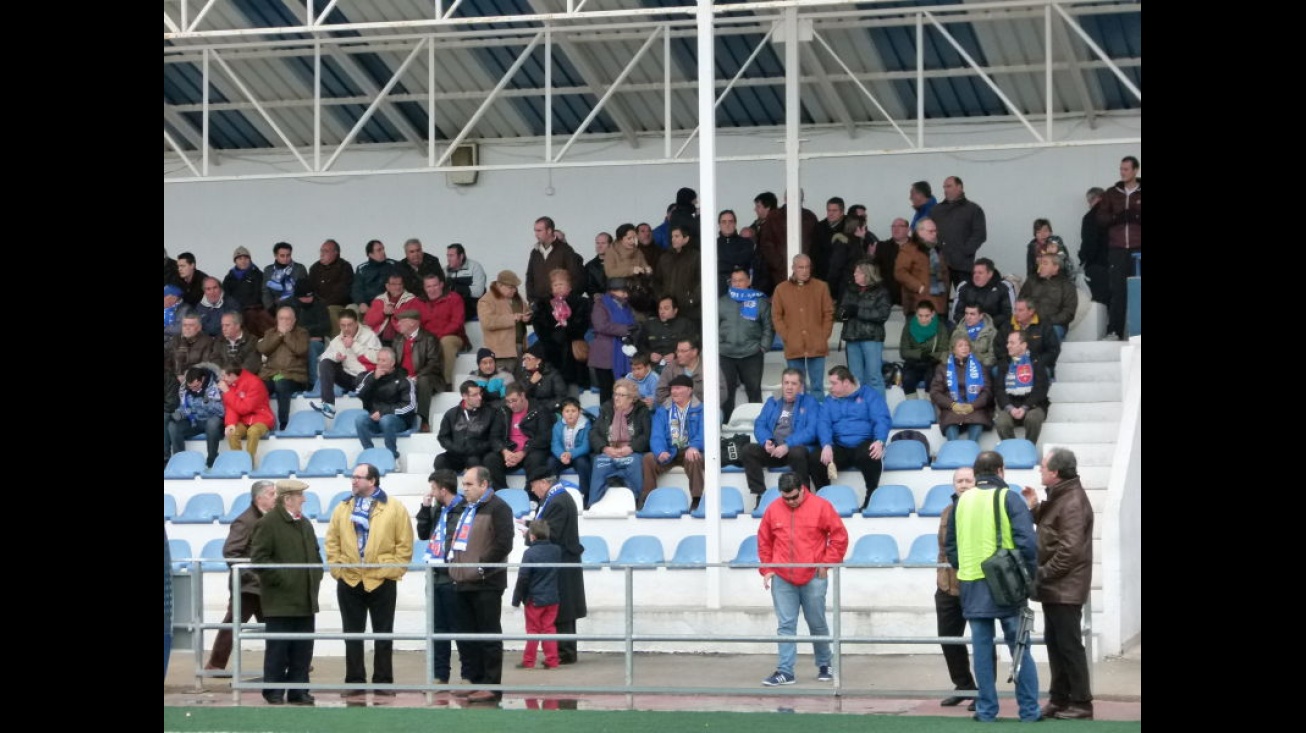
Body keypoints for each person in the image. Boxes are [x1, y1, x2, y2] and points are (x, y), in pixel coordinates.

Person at [944, 451, 1040, 723]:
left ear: (977, 473)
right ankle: (1029, 712)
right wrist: (1029, 578)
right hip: (1007, 583)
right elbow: (1028, 543)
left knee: (982, 651)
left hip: (971, 584)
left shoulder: (961, 502)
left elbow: (950, 545)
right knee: (1019, 647)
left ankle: (986, 711)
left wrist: (964, 566)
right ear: (1001, 471)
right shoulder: (1009, 498)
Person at [325, 462, 413, 697]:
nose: (353, 481)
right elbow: (331, 541)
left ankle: (383, 681)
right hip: (350, 579)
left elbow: (404, 544)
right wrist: (337, 569)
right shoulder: (343, 507)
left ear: (372, 481)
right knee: (352, 634)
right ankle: (354, 681)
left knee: (383, 634)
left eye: (358, 477)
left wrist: (393, 571)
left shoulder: (394, 507)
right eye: (352, 477)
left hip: (381, 579)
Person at [1022, 448, 1095, 721]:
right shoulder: (1062, 495)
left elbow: (1069, 552)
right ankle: (1059, 698)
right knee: (1056, 643)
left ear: (1055, 472)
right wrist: (1034, 507)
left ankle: (1081, 702)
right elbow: (1054, 529)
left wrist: (1040, 574)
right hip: (1057, 588)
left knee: (1069, 645)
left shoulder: (1072, 500)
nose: (1040, 470)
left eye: (1043, 467)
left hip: (1065, 588)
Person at [757, 472, 848, 687]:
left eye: (793, 497)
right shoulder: (773, 509)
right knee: (786, 625)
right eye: (785, 498)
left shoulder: (821, 507)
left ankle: (825, 664)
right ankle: (785, 671)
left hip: (814, 576)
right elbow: (764, 540)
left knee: (816, 623)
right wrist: (767, 569)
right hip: (782, 576)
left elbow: (839, 537)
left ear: (802, 489)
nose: (789, 502)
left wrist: (826, 564)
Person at [249, 479, 323, 706]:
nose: (304, 499)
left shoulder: (305, 524)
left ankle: (299, 690)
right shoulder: (268, 523)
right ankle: (273, 690)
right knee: (278, 649)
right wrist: (285, 579)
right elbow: (259, 560)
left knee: (302, 649)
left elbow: (315, 554)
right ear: (288, 498)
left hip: (305, 598)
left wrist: (315, 575)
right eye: (300, 495)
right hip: (280, 600)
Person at [450, 466, 516, 703]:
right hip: (462, 580)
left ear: (484, 485)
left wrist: (481, 565)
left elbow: (504, 543)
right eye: (463, 484)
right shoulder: (465, 508)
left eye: (468, 484)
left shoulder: (499, 508)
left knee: (488, 635)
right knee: (467, 636)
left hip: (486, 582)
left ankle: (491, 685)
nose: (464, 489)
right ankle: (473, 680)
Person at [205, 479, 279, 673]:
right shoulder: (245, 521)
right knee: (234, 623)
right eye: (272, 494)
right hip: (248, 586)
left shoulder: (269, 518)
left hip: (261, 585)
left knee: (274, 624)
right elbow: (231, 552)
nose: (276, 498)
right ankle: (215, 664)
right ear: (259, 498)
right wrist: (250, 576)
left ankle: (286, 660)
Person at [524, 467, 588, 665]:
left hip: (563, 561)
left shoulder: (558, 501)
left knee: (564, 609)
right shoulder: (556, 498)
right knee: (561, 607)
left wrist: (530, 535)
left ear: (544, 482)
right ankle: (562, 650)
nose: (533, 491)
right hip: (561, 559)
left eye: (534, 486)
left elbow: (553, 532)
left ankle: (566, 652)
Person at [416, 469, 473, 685]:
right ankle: (440, 674)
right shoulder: (436, 510)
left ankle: (468, 674)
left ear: (442, 489)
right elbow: (423, 535)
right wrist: (424, 509)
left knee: (460, 627)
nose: (430, 492)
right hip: (434, 576)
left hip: (454, 576)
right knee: (437, 629)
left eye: (432, 488)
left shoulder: (464, 510)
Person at [811, 366, 891, 507]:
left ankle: (871, 497)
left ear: (846, 382)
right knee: (815, 458)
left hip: (863, 443)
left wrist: (880, 441)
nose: (830, 387)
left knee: (871, 453)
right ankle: (824, 500)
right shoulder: (830, 400)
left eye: (834, 383)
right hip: (840, 446)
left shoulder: (869, 395)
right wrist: (826, 444)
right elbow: (823, 423)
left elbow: (881, 419)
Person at [935, 467, 979, 711]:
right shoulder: (946, 511)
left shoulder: (981, 511)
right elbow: (942, 549)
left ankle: (984, 691)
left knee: (982, 640)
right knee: (948, 639)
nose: (963, 485)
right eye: (959, 481)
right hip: (946, 585)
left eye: (968, 480)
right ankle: (964, 686)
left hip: (974, 585)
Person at [741, 368, 818, 502]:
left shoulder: (810, 402)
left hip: (795, 450)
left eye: (793, 384)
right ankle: (761, 495)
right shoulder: (773, 401)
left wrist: (787, 445)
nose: (789, 387)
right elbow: (760, 424)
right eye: (786, 383)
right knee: (748, 450)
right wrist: (767, 441)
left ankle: (804, 494)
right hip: (775, 449)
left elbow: (812, 431)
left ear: (801, 387)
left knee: (797, 452)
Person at [771, 254, 835, 400]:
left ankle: (818, 420)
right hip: (793, 345)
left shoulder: (821, 287)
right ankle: (799, 419)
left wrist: (823, 335)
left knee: (817, 386)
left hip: (817, 344)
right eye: (801, 267)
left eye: (807, 267)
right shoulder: (781, 289)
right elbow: (776, 316)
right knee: (796, 387)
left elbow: (829, 313)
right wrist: (787, 336)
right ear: (793, 268)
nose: (805, 271)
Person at [641, 374, 705, 510]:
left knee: (694, 457)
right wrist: (660, 451)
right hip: (670, 450)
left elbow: (703, 433)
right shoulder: (663, 410)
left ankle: (697, 499)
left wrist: (694, 446)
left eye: (678, 388)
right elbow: (656, 435)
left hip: (689, 449)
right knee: (648, 459)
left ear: (689, 390)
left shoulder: (701, 409)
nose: (673, 391)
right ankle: (648, 498)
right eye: (672, 389)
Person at [1096, 156, 1141, 340]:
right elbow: (1099, 218)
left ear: (1136, 170)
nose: (1122, 172)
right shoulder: (1111, 193)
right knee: (1118, 291)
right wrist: (1116, 218)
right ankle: (1115, 331)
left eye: (1126, 169)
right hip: (1118, 249)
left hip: (1139, 249)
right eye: (1121, 169)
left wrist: (1137, 217)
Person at [719, 267, 773, 422]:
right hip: (726, 354)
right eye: (734, 281)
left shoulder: (759, 301)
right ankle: (726, 427)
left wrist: (763, 346)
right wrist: (719, 345)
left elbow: (768, 326)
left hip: (752, 354)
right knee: (726, 394)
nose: (737, 284)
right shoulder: (722, 302)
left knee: (754, 392)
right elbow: (713, 326)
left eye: (741, 280)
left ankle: (758, 427)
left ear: (748, 281)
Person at [588, 377, 651, 505]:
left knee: (635, 462)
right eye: (615, 394)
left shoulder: (641, 411)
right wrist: (605, 448)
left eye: (621, 395)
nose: (616, 398)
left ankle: (638, 502)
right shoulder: (606, 409)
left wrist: (630, 448)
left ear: (631, 398)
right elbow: (594, 433)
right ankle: (593, 504)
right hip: (609, 451)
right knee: (599, 462)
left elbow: (646, 435)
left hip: (631, 452)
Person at [310, 309, 381, 419]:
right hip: (348, 379)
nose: (346, 329)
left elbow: (378, 359)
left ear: (356, 323)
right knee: (326, 362)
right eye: (343, 325)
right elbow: (323, 357)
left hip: (367, 378)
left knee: (366, 380)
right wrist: (335, 356)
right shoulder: (337, 340)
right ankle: (328, 404)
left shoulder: (369, 336)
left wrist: (354, 345)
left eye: (349, 325)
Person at [511, 519, 561, 669]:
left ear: (532, 536)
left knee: (533, 630)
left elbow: (523, 577)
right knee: (549, 628)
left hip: (534, 598)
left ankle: (529, 661)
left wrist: (516, 599)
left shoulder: (529, 553)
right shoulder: (556, 550)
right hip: (552, 597)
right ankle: (552, 660)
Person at [530, 268, 592, 391]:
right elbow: (539, 325)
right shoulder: (542, 304)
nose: (558, 288)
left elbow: (583, 325)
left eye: (561, 284)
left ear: (569, 286)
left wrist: (566, 328)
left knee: (572, 388)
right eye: (555, 285)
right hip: (550, 349)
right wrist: (553, 336)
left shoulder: (581, 302)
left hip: (572, 350)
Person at [485, 383, 555, 489]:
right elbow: (494, 436)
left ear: (522, 396)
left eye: (514, 400)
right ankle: (502, 494)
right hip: (510, 451)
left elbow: (544, 436)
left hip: (531, 450)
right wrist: (505, 452)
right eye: (508, 401)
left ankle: (531, 497)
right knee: (490, 459)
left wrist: (523, 452)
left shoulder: (539, 409)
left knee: (535, 460)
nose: (511, 405)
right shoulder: (503, 411)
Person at [352, 347, 418, 461]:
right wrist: (373, 378)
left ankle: (392, 456)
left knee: (386, 420)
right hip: (375, 419)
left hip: (399, 420)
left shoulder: (404, 379)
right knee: (360, 420)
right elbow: (358, 393)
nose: (380, 364)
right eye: (378, 360)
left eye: (384, 360)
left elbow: (410, 406)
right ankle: (369, 453)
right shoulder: (371, 376)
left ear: (392, 363)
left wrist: (383, 412)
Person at [837, 260, 892, 397]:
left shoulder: (881, 292)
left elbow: (882, 314)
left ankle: (878, 412)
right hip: (852, 337)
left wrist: (858, 311)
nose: (854, 274)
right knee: (855, 379)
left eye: (858, 272)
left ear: (867, 274)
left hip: (871, 338)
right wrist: (843, 313)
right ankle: (858, 411)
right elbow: (840, 312)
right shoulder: (850, 289)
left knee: (874, 377)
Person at [930, 336, 994, 443]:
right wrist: (952, 405)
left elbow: (987, 391)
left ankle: (971, 450)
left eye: (966, 345)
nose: (964, 348)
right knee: (951, 425)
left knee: (977, 422)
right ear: (953, 350)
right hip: (952, 409)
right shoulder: (942, 368)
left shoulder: (979, 367)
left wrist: (973, 406)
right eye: (960, 346)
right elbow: (935, 392)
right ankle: (953, 451)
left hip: (975, 408)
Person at [257, 305, 310, 431]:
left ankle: (284, 422)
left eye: (288, 319)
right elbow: (263, 349)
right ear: (277, 320)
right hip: (271, 374)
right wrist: (279, 335)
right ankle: (261, 421)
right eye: (282, 319)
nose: (285, 322)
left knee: (281, 383)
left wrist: (286, 335)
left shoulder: (302, 333)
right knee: (259, 387)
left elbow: (300, 350)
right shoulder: (270, 333)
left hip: (294, 376)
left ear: (294, 320)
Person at [393, 309, 448, 431]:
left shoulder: (429, 338)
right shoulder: (398, 340)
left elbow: (434, 363)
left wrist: (416, 376)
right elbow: (395, 363)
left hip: (428, 377)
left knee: (423, 380)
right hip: (405, 377)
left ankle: (423, 419)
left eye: (402, 321)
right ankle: (396, 420)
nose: (398, 324)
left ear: (412, 323)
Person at [994, 330, 1052, 446]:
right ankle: (1013, 450)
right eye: (1007, 343)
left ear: (1024, 345)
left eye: (1012, 343)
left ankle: (1029, 449)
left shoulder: (1036, 362)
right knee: (1001, 422)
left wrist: (1025, 407)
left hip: (1033, 406)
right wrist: (1010, 408)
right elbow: (999, 390)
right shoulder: (1004, 363)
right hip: (1010, 405)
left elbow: (1041, 390)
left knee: (1033, 419)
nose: (1008, 346)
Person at [930, 176, 987, 288]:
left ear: (959, 187)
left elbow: (980, 234)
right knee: (938, 300)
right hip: (939, 265)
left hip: (962, 266)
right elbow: (928, 232)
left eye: (949, 186)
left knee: (964, 298)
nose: (946, 190)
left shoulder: (973, 209)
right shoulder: (936, 210)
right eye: (944, 187)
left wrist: (964, 252)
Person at [415, 272, 469, 390]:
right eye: (428, 286)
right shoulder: (418, 302)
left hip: (453, 337)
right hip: (428, 339)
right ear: (424, 288)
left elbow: (457, 322)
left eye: (435, 285)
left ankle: (446, 382)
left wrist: (437, 337)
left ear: (441, 285)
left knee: (446, 342)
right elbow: (409, 320)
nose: (432, 289)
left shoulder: (453, 298)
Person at [590, 277, 640, 405]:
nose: (625, 295)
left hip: (623, 352)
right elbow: (600, 325)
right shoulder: (600, 304)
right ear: (612, 291)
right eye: (622, 291)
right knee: (607, 391)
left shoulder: (626, 306)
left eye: (626, 292)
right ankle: (607, 419)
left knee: (624, 390)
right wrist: (626, 329)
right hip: (605, 356)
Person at [435, 380, 502, 474]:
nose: (479, 397)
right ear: (464, 396)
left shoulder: (490, 413)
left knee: (474, 462)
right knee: (440, 460)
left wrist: (476, 449)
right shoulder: (451, 414)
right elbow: (443, 437)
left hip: (478, 454)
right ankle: (446, 487)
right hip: (456, 454)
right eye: (475, 395)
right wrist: (455, 448)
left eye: (480, 394)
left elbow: (494, 438)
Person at [167, 364, 225, 468]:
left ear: (202, 379)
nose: (193, 389)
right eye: (190, 387)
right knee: (173, 425)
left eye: (196, 386)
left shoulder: (216, 386)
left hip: (212, 422)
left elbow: (222, 411)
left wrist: (206, 404)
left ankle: (212, 461)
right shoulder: (184, 389)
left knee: (212, 423)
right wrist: (179, 414)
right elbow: (184, 407)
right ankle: (180, 460)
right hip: (194, 421)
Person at [220, 362, 275, 467]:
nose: (222, 379)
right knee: (232, 432)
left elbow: (245, 408)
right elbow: (231, 407)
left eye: (224, 376)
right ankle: (239, 464)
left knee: (253, 431)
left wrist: (227, 392)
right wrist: (230, 423)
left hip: (262, 418)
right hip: (243, 420)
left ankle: (249, 464)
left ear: (232, 375)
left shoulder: (254, 382)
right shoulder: (229, 385)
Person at [895, 217, 950, 318]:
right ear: (920, 232)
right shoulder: (909, 249)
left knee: (939, 332)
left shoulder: (936, 249)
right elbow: (900, 272)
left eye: (935, 231)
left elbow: (944, 273)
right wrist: (919, 287)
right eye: (931, 231)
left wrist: (945, 289)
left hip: (939, 303)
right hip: (917, 304)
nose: (935, 234)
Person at [525, 216, 586, 304]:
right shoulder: (535, 252)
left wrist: (567, 300)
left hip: (561, 305)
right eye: (535, 230)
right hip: (540, 304)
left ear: (549, 231)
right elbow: (530, 276)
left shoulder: (565, 250)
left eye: (539, 231)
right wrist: (531, 300)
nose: (536, 234)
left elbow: (576, 276)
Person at [899, 299, 952, 399]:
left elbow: (944, 352)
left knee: (932, 379)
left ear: (933, 314)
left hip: (933, 363)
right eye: (920, 315)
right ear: (916, 314)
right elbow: (903, 352)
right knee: (907, 379)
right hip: (913, 363)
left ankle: (929, 406)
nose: (923, 319)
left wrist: (930, 355)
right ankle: (912, 406)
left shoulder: (940, 328)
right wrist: (921, 354)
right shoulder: (908, 327)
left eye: (927, 316)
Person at [1019, 254, 1078, 343]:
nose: (1041, 266)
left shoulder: (1067, 286)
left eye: (1045, 264)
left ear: (1055, 267)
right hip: (1030, 323)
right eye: (1040, 263)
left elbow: (1068, 312)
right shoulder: (1031, 281)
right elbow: (1021, 302)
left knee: (1050, 334)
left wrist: (1048, 321)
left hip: (1055, 325)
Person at [478, 270, 531, 369]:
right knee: (504, 382)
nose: (514, 290)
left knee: (520, 383)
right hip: (501, 353)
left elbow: (526, 312)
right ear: (499, 285)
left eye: (515, 287)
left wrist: (528, 317)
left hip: (521, 349)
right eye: (511, 287)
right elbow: (487, 322)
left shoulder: (517, 298)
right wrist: (513, 318)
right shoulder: (486, 300)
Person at [603, 223, 656, 317]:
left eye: (634, 237)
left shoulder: (638, 251)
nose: (633, 241)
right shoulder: (611, 252)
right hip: (619, 292)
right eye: (629, 238)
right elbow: (610, 272)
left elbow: (644, 265)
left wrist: (648, 270)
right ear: (620, 239)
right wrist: (631, 270)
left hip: (637, 292)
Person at [652, 223, 703, 320]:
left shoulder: (696, 257)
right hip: (668, 310)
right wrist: (660, 297)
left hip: (689, 310)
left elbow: (702, 281)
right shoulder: (664, 258)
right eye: (672, 236)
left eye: (677, 236)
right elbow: (657, 281)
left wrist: (692, 299)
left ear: (686, 238)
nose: (673, 239)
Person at [716, 209, 771, 297]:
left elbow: (747, 263)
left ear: (735, 223)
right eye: (724, 222)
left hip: (743, 293)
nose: (727, 225)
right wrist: (735, 265)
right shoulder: (713, 245)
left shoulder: (746, 243)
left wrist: (723, 263)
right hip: (720, 292)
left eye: (730, 221)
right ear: (719, 224)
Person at [549, 397, 594, 504]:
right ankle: (552, 494)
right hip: (562, 456)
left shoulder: (586, 425)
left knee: (583, 464)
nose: (570, 414)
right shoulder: (558, 425)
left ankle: (585, 495)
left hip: (578, 455)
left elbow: (586, 446)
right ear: (562, 413)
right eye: (567, 411)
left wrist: (570, 454)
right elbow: (555, 444)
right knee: (550, 463)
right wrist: (561, 455)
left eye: (573, 411)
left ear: (579, 412)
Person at [308, 238, 354, 336]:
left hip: (339, 305)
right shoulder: (314, 268)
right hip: (318, 305)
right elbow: (311, 290)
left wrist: (324, 305)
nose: (321, 254)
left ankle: (337, 343)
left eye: (325, 251)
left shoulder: (345, 267)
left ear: (335, 253)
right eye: (321, 251)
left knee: (330, 310)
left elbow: (342, 292)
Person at [1007, 297, 1062, 381]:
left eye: (1020, 310)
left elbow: (1053, 351)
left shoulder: (1044, 326)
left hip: (1037, 365)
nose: (1016, 313)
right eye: (1015, 310)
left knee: (1041, 371)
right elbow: (999, 349)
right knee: (997, 370)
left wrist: (1035, 362)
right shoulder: (1007, 326)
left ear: (1031, 311)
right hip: (1013, 364)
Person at [638, 295, 695, 373]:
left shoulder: (685, 324)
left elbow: (694, 346)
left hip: (679, 367)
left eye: (666, 308)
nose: (662, 311)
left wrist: (677, 355)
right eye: (660, 308)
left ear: (675, 310)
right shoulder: (649, 324)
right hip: (653, 368)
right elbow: (640, 345)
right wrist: (649, 355)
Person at [224, 246, 272, 338]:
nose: (243, 261)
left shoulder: (258, 274)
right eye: (239, 258)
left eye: (246, 258)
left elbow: (260, 293)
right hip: (236, 310)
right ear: (235, 261)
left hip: (255, 308)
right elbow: (226, 296)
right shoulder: (229, 278)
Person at [950, 257, 1012, 328]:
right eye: (974, 273)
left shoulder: (1002, 288)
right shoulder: (965, 287)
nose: (976, 276)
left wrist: (984, 324)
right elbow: (956, 313)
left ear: (990, 274)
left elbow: (1008, 315)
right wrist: (971, 322)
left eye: (980, 273)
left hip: (994, 330)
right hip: (967, 328)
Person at [363, 273, 418, 344]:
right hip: (379, 337)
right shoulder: (379, 299)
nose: (398, 287)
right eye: (394, 284)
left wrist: (394, 312)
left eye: (400, 284)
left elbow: (412, 320)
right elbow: (369, 321)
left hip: (402, 337)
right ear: (387, 286)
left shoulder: (411, 299)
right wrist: (383, 312)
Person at [515, 342, 568, 414]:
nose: (525, 362)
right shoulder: (525, 374)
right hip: (530, 411)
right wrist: (531, 383)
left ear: (538, 360)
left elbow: (561, 397)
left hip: (550, 411)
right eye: (524, 359)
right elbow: (518, 394)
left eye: (528, 359)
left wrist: (543, 409)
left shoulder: (552, 374)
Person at [1079, 187, 1110, 306]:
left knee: (1100, 304)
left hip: (1098, 265)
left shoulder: (1090, 217)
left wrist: (1083, 258)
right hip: (1118, 264)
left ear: (1094, 199)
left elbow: (1089, 243)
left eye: (1089, 201)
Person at [165, 311, 219, 380]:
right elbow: (168, 362)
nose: (187, 328)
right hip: (174, 378)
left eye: (191, 325)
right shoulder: (176, 339)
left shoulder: (208, 342)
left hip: (195, 379)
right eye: (184, 325)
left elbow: (205, 365)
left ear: (199, 327)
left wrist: (187, 376)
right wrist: (175, 376)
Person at [352, 239, 399, 317]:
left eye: (383, 249)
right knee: (351, 310)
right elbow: (356, 289)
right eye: (379, 250)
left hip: (388, 302)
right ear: (370, 254)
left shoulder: (393, 265)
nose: (383, 252)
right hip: (367, 303)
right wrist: (361, 303)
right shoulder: (361, 268)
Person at [950, 303, 1001, 374]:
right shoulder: (958, 331)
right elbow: (952, 352)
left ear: (981, 316)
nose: (968, 317)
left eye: (972, 314)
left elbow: (992, 355)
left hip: (983, 367)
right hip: (961, 366)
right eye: (966, 313)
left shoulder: (991, 332)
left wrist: (978, 364)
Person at [261, 242, 309, 313]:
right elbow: (265, 291)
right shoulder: (268, 270)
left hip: (296, 307)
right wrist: (270, 308)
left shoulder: (299, 269)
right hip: (275, 307)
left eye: (288, 255)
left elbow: (305, 290)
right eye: (282, 256)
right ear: (276, 255)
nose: (286, 258)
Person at [445, 243, 487, 322]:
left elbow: (478, 292)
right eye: (447, 256)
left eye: (451, 256)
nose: (448, 259)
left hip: (471, 306)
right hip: (451, 305)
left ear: (461, 256)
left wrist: (456, 288)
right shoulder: (445, 270)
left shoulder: (475, 267)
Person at [583, 231, 611, 297]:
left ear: (610, 245)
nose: (599, 246)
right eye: (597, 243)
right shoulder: (589, 266)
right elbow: (589, 287)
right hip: (599, 303)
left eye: (603, 243)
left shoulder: (619, 263)